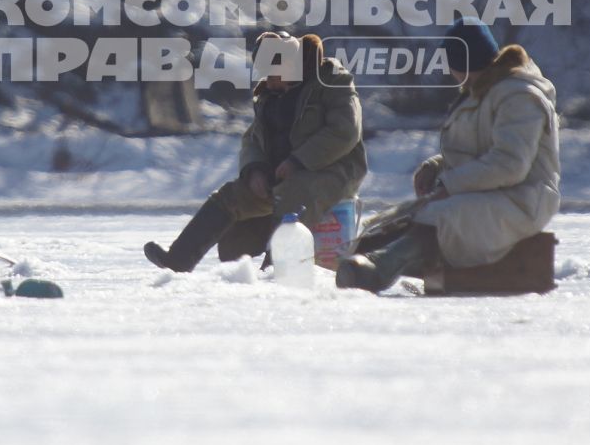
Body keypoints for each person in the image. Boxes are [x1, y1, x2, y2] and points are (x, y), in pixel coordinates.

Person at [337, 18, 560, 293]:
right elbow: (476, 152)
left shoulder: (518, 96)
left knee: (440, 216)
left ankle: (379, 269)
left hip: (523, 199)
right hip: (483, 195)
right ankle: (363, 257)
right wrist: (435, 167)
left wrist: (451, 184)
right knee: (391, 225)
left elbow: (509, 164)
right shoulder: (480, 93)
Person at [143, 31, 366, 272]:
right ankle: (178, 260)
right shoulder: (270, 96)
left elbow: (344, 131)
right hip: (281, 176)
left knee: (294, 195)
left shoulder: (332, 81)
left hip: (332, 172)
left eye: (273, 74)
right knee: (230, 200)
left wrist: (298, 161)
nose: (269, 81)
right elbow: (252, 138)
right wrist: (255, 170)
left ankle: (276, 269)